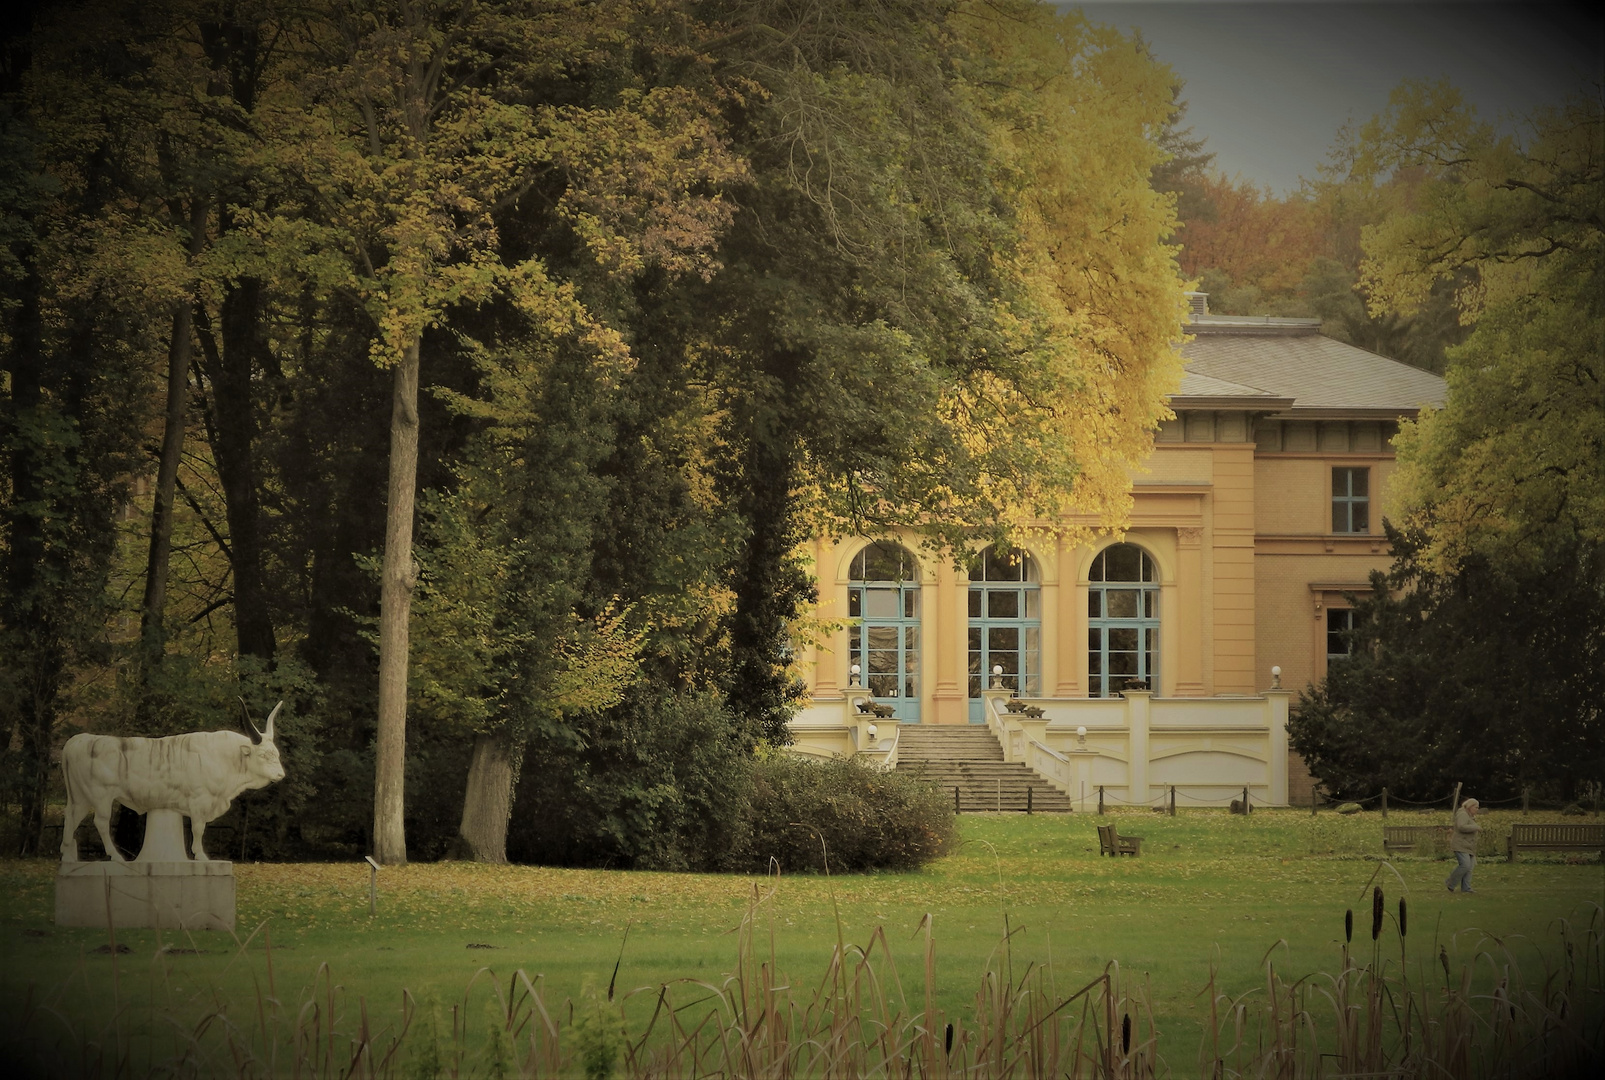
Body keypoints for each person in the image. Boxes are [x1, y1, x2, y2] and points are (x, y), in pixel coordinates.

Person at [1446, 797, 1481, 893]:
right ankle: (1450, 882)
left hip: (1468, 846)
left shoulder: (1469, 816)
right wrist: (1475, 827)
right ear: (1470, 806)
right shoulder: (1462, 814)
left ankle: (1466, 888)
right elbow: (1461, 826)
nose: (1477, 810)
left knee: (1470, 867)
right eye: (1476, 807)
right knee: (1465, 865)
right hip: (1460, 844)